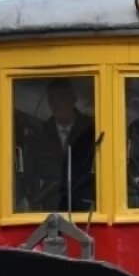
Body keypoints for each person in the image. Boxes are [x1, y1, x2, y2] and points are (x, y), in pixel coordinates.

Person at [26, 78, 96, 211]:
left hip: (87, 210)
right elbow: (30, 176)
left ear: (73, 100)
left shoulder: (92, 130)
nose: (58, 104)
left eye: (63, 98)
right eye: (52, 99)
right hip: (50, 210)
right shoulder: (39, 136)